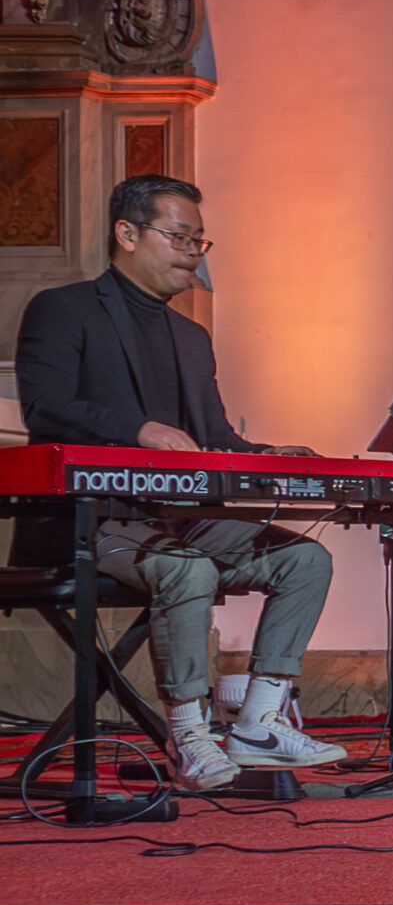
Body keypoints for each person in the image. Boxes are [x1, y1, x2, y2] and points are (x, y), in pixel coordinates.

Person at [13, 175, 346, 790]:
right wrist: (139, 429)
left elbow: (213, 436)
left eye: (200, 240)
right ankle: (189, 734)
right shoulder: (64, 310)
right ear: (127, 234)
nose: (192, 251)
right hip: (90, 520)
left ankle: (258, 722)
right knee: (187, 568)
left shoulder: (191, 338)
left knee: (305, 561)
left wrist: (264, 454)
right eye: (179, 236)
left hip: (175, 517)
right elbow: (46, 408)